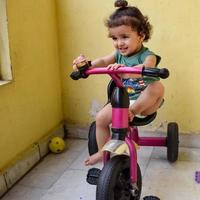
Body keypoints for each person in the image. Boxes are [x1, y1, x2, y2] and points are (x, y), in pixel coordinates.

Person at [73, 0, 164, 166]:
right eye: (114, 38)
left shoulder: (148, 55)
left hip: (146, 104)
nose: (119, 43)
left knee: (157, 86)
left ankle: (132, 112)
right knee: (100, 119)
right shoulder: (117, 54)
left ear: (141, 36)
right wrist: (86, 65)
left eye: (124, 37)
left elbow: (146, 67)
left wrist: (123, 70)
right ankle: (103, 152)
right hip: (124, 99)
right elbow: (102, 61)